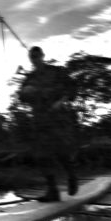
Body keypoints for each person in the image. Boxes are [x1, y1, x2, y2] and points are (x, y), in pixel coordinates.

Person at [18, 46, 79, 200]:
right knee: (42, 156)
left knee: (61, 151)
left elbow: (72, 87)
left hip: (58, 118)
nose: (35, 59)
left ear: (43, 56)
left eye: (37, 56)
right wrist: (26, 91)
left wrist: (62, 100)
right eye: (32, 57)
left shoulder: (56, 71)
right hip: (39, 120)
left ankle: (72, 175)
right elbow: (22, 97)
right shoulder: (29, 77)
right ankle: (53, 191)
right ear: (30, 59)